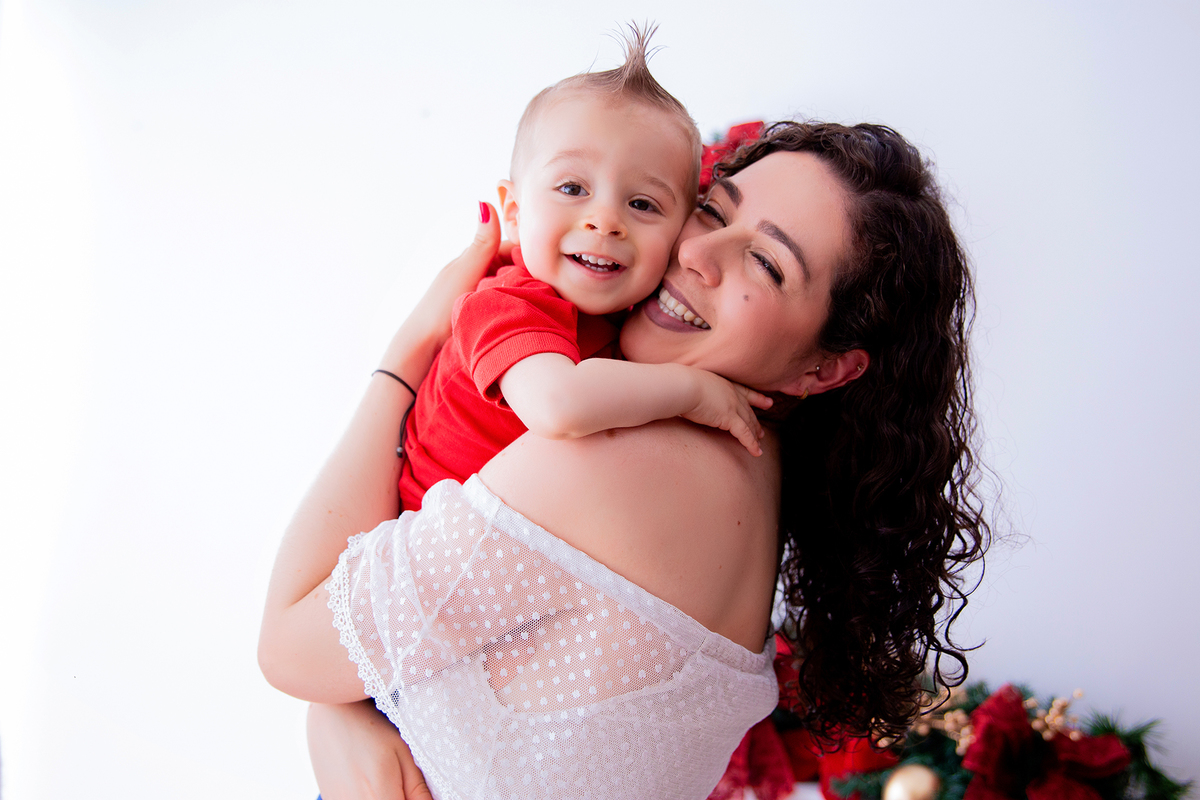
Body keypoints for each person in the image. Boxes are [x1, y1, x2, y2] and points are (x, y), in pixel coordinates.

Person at [258, 120, 989, 800]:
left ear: (825, 370)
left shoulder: (625, 459)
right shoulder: (746, 467)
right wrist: (348, 712)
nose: (696, 255)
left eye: (765, 263)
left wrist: (407, 351)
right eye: (711, 210)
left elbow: (289, 648)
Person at [396, 28, 770, 514]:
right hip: (425, 540)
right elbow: (559, 405)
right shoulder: (503, 303)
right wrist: (694, 392)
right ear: (513, 211)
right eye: (572, 189)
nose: (605, 221)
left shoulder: (633, 308)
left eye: (642, 203)